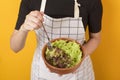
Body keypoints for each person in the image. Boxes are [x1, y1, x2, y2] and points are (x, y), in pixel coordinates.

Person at [10, 0, 103, 80]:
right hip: (41, 73)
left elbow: (95, 38)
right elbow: (15, 47)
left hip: (80, 73)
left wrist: (80, 56)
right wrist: (23, 28)